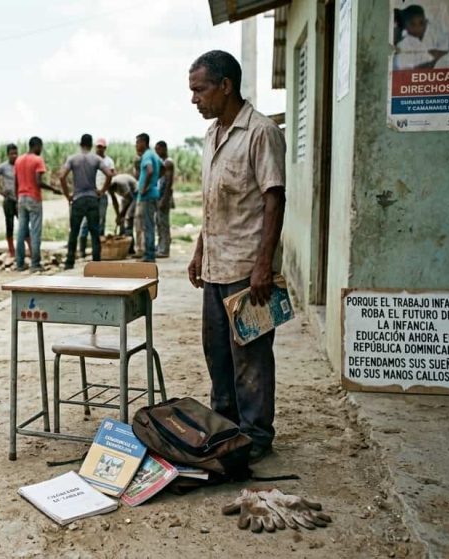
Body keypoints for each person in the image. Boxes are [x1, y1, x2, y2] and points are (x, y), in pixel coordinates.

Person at [187, 50, 286, 462]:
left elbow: (274, 199)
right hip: (215, 268)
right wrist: (198, 251)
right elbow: (213, 202)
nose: (194, 99)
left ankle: (257, 436)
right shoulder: (212, 135)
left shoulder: (261, 132)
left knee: (251, 357)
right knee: (218, 352)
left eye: (200, 89)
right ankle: (225, 427)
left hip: (247, 269)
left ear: (225, 85)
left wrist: (264, 264)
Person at [59, 133, 115, 269]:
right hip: (92, 198)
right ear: (91, 145)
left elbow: (61, 177)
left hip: (78, 198)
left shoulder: (73, 159)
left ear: (80, 144)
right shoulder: (95, 159)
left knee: (74, 231)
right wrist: (102, 191)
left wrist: (68, 195)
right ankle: (96, 262)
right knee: (95, 232)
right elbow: (109, 174)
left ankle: (69, 262)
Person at [14, 136, 57, 272]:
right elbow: (38, 181)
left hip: (21, 197)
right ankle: (35, 264)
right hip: (34, 198)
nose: (41, 150)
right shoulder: (38, 160)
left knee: (21, 231)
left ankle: (20, 264)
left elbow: (16, 181)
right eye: (41, 147)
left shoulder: (19, 160)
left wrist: (17, 197)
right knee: (35, 231)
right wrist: (53, 189)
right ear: (37, 146)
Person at [78, 138, 115, 258]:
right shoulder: (91, 160)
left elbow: (110, 176)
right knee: (85, 222)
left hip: (102, 195)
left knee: (101, 221)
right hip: (90, 195)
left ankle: (98, 250)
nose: (99, 149)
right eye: (98, 146)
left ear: (105, 148)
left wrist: (103, 190)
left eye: (101, 147)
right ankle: (82, 250)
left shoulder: (109, 161)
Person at [0, 143, 21, 258]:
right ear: (7, 154)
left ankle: (29, 249)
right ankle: (12, 251)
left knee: (24, 224)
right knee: (9, 224)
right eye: (12, 154)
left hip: (20, 199)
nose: (14, 156)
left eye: (16, 153)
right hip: (9, 200)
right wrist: (1, 192)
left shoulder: (20, 165)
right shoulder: (3, 167)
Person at [393, 5, 449, 69]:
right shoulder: (403, 43)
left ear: (426, 22)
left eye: (421, 23)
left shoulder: (435, 34)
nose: (417, 28)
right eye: (412, 24)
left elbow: (447, 54)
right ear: (405, 26)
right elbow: (403, 64)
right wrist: (433, 57)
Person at [135, 133, 162, 262]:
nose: (136, 145)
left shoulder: (146, 155)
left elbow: (150, 170)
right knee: (150, 224)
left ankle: (149, 255)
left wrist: (145, 187)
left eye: (137, 142)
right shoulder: (154, 154)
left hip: (147, 195)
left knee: (148, 226)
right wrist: (154, 182)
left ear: (144, 142)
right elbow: (163, 167)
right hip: (153, 193)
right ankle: (149, 253)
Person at [155, 141, 176, 258]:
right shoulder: (162, 162)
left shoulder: (168, 163)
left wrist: (164, 199)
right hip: (160, 196)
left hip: (164, 196)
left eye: (158, 149)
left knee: (163, 223)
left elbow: (168, 183)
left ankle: (164, 249)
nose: (156, 152)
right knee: (159, 222)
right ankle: (161, 246)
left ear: (163, 149)